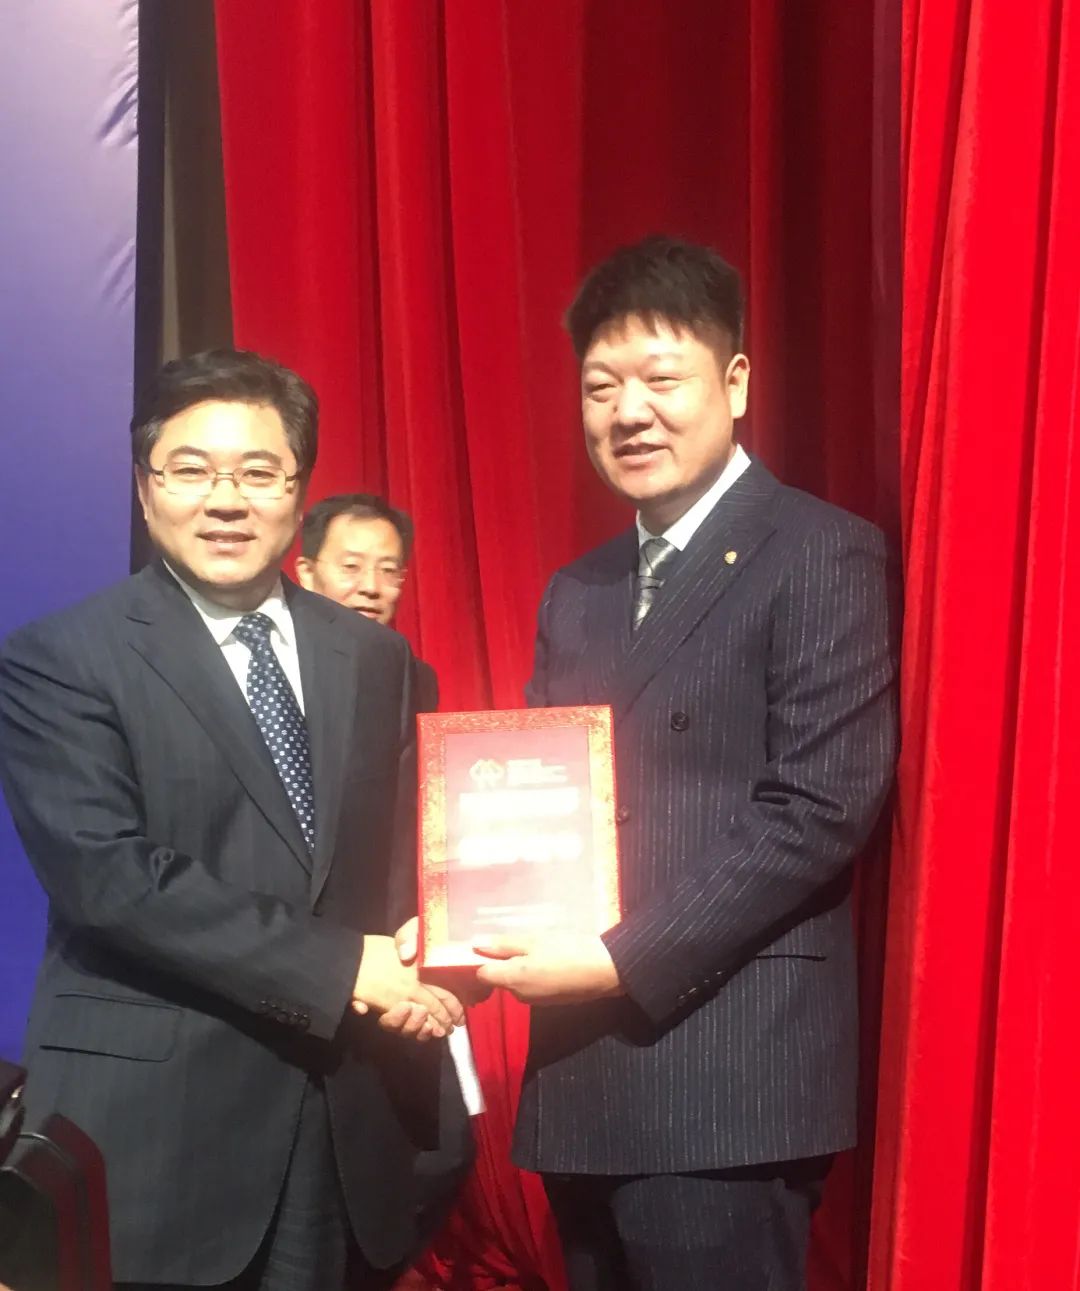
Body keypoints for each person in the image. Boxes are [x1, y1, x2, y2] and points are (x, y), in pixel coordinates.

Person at [474, 237, 898, 1289]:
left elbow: (820, 806)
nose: (630, 412)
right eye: (601, 386)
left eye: (662, 378)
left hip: (727, 1072)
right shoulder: (578, 589)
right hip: (583, 1071)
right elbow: (539, 802)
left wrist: (621, 959)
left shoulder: (819, 549)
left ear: (736, 382)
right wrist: (456, 914)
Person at [0, 349, 468, 1290]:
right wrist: (346, 968)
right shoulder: (61, 657)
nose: (226, 500)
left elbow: (396, 862)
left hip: (348, 1120)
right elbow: (111, 880)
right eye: (191, 470)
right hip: (158, 1133)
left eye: (258, 472)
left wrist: (450, 936)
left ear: (298, 491)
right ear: (145, 489)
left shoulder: (373, 657)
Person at [296, 494, 438, 712]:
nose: (371, 587)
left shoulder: (415, 679)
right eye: (351, 566)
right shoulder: (274, 664)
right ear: (307, 573)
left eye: (388, 570)